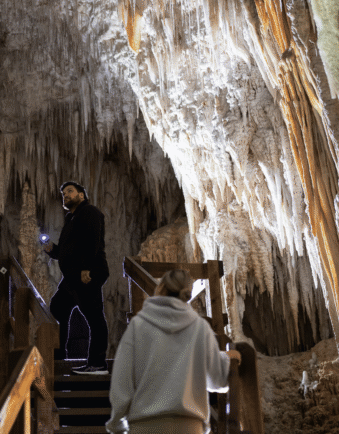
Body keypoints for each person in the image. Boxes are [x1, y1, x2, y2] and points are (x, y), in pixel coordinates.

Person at [106, 270, 241, 434]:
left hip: (145, 426)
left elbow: (123, 380)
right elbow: (217, 379)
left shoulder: (138, 326)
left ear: (160, 288)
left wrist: (117, 424)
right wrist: (227, 359)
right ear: (187, 293)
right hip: (189, 426)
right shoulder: (200, 328)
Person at [45, 181, 110, 374]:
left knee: (94, 317)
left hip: (87, 273)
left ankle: (98, 364)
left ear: (81, 195)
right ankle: (59, 357)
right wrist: (52, 250)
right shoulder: (71, 218)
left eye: (70, 192)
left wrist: (86, 268)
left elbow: (93, 240)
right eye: (63, 193)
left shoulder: (89, 212)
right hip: (73, 276)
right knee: (57, 308)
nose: (66, 195)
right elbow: (67, 252)